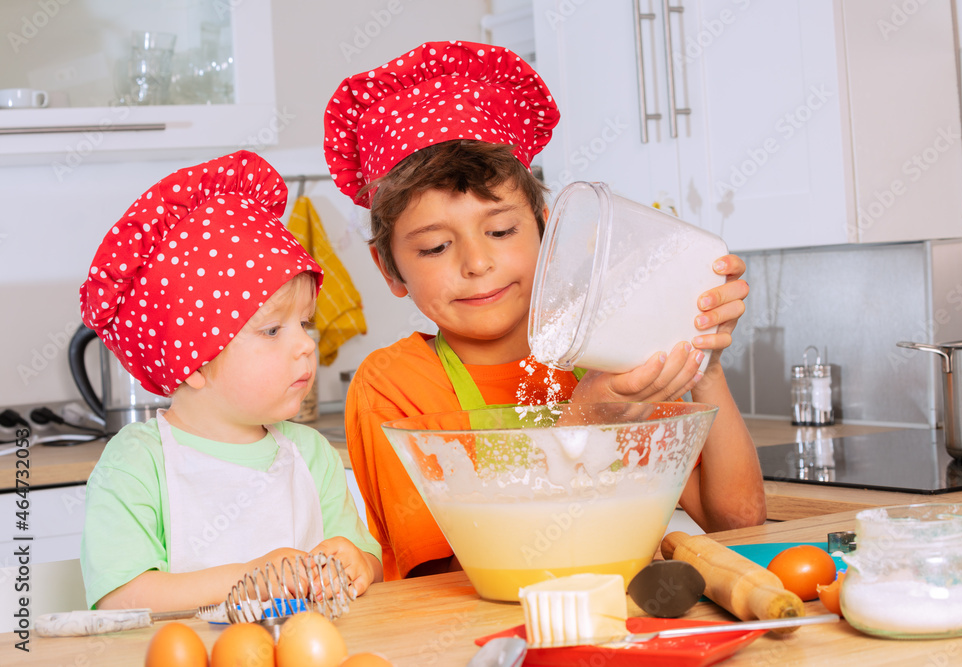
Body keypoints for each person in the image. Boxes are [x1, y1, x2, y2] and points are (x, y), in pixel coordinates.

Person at [324, 41, 766, 581]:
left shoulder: (608, 355)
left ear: (548, 228)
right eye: (436, 247)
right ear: (389, 267)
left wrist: (704, 362)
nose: (477, 263)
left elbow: (738, 524)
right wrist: (583, 421)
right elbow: (456, 577)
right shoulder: (393, 387)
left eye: (502, 231)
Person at [78, 151, 382, 612]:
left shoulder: (311, 454)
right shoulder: (138, 463)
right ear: (194, 363)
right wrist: (252, 578)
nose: (305, 345)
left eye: (305, 323)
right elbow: (121, 597)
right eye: (273, 330)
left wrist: (357, 563)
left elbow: (368, 561)